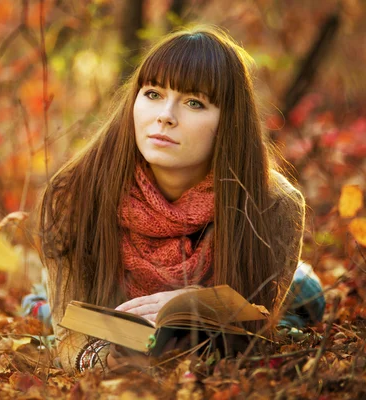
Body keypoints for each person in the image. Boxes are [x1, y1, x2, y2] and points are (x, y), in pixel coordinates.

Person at [37, 25, 324, 374]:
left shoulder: (273, 203)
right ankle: (37, 298)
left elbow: (254, 328)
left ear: (228, 122)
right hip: (118, 323)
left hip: (231, 317)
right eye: (154, 93)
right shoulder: (77, 191)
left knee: (307, 297)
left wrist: (197, 305)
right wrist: (104, 359)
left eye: (193, 102)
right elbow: (70, 337)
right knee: (42, 308)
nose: (165, 116)